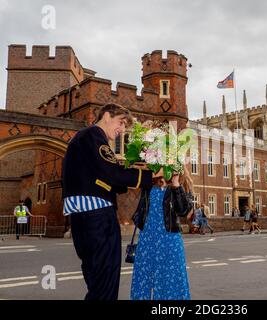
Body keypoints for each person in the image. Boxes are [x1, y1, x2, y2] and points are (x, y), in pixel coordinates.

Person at [62, 103, 159, 300]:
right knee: (105, 283)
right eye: (121, 122)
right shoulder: (94, 135)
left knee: (97, 281)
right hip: (97, 217)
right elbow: (112, 172)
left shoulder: (82, 140)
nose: (122, 129)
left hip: (83, 219)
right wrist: (151, 177)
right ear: (107, 115)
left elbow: (104, 179)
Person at [130, 168, 193, 300]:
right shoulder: (149, 179)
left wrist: (176, 184)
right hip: (147, 238)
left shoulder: (182, 180)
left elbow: (184, 211)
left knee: (171, 283)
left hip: (169, 240)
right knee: (142, 283)